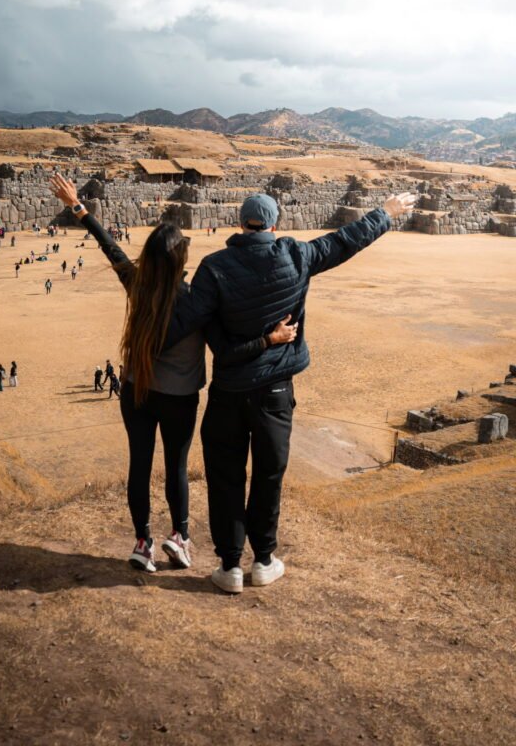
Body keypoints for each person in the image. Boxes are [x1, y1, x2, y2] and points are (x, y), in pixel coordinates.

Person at [162, 190, 416, 593]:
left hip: (229, 390)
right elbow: (347, 240)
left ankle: (229, 566)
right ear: (275, 224)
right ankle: (263, 560)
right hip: (275, 389)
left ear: (241, 223)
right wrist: (387, 211)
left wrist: (144, 340)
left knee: (225, 476)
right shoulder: (296, 255)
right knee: (268, 474)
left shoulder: (214, 268)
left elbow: (184, 320)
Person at [49, 173, 296, 575]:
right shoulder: (195, 300)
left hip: (136, 390)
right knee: (175, 467)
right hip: (179, 397)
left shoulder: (136, 283)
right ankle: (179, 537)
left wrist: (77, 206)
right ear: (180, 259)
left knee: (139, 466)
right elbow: (227, 343)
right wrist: (270, 339)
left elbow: (107, 245)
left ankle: (143, 541)